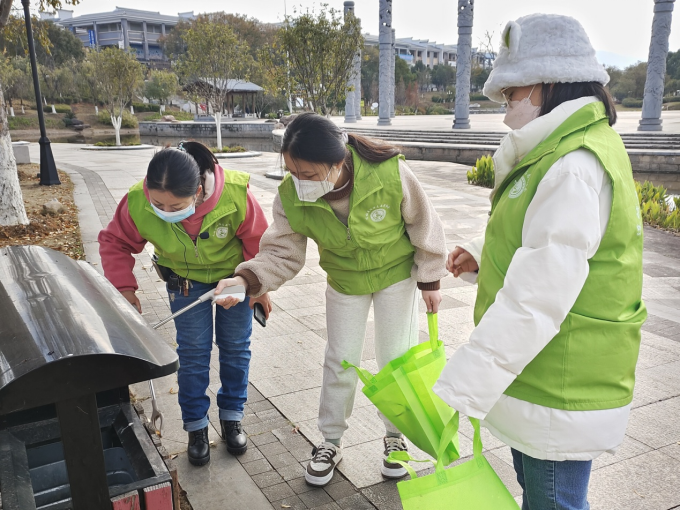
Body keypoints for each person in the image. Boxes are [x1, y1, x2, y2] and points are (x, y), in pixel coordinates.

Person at [433, 14, 647, 511]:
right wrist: (487, 262)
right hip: (545, 369)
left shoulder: (573, 163)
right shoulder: (559, 151)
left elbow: (538, 297)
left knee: (551, 503)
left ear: (549, 82)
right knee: (540, 496)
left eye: (512, 90)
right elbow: (554, 255)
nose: (506, 102)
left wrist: (467, 381)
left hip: (559, 378)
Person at [214, 113, 448, 487]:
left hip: (395, 276)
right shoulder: (291, 196)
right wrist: (245, 280)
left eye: (308, 174)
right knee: (340, 361)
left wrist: (431, 277)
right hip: (344, 281)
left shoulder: (388, 172)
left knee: (396, 360)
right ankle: (330, 442)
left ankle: (395, 437)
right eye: (292, 171)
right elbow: (282, 253)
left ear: (339, 163)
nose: (299, 181)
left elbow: (424, 221)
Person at [99, 141, 271, 466]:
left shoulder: (234, 193)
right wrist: (124, 288)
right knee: (192, 354)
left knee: (235, 348)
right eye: (158, 203)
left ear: (198, 191)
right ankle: (196, 427)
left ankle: (232, 417)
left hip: (232, 281)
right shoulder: (137, 200)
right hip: (184, 283)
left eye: (177, 206)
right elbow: (114, 241)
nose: (167, 212)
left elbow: (256, 239)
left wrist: (257, 286)